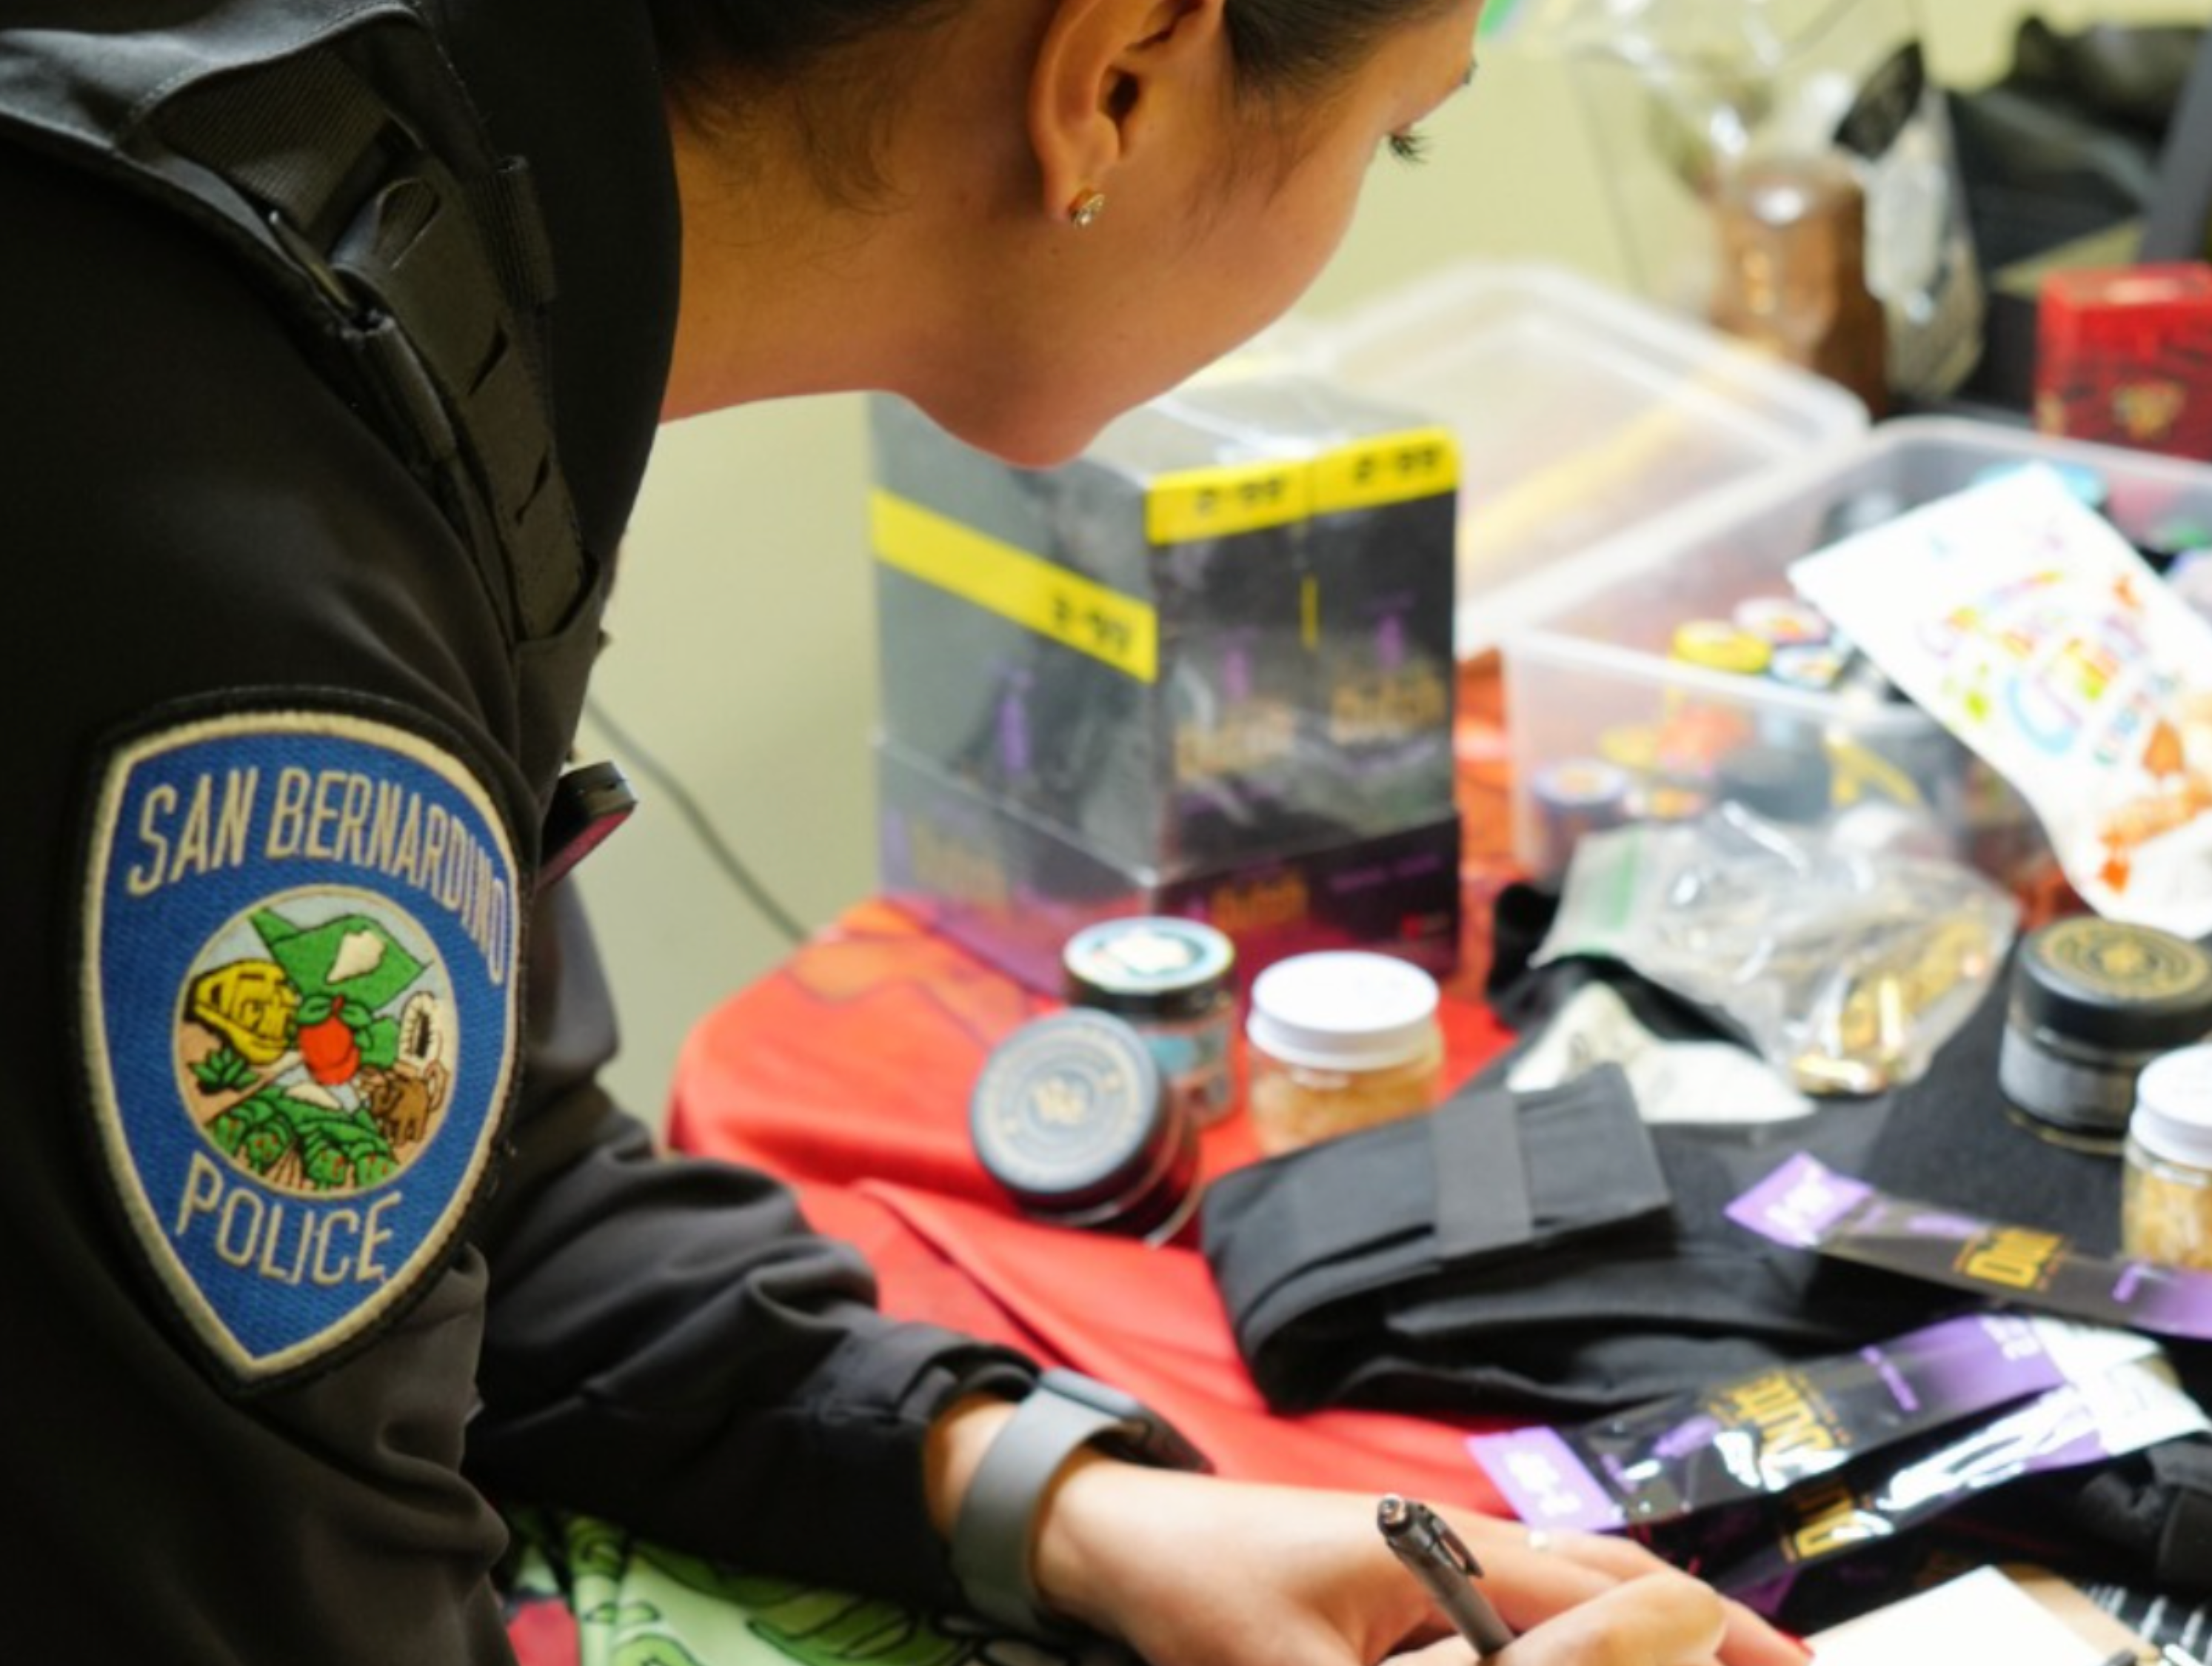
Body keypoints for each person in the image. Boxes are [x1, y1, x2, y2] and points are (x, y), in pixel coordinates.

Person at [0, 1, 1809, 1663]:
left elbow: (485, 1186)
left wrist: (1080, 1507)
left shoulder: (401, 230)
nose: (1364, 195)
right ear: (1115, 80)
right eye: (1396, 133)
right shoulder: (221, 518)